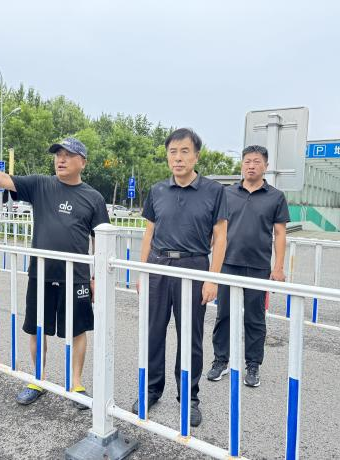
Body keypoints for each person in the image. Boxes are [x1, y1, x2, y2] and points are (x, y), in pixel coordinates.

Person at [0, 137, 108, 410]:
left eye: (68, 155)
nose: (61, 159)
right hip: (41, 273)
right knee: (37, 328)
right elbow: (2, 179)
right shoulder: (41, 185)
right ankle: (38, 379)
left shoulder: (94, 198)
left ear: (83, 162)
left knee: (77, 330)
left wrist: (97, 278)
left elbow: (99, 239)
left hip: (76, 276)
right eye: (58, 155)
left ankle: (76, 384)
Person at [134, 128, 228, 427]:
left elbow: (221, 237)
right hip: (158, 266)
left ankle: (189, 397)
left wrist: (212, 279)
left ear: (196, 156)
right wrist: (143, 271)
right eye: (172, 152)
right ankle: (151, 390)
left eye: (184, 151)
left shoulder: (214, 191)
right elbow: (149, 233)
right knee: (153, 333)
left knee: (190, 336)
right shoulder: (157, 191)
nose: (178, 158)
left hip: (194, 267)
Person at [207, 144, 290, 387]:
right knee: (223, 315)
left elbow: (280, 234)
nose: (251, 166)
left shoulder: (276, 197)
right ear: (242, 165)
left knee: (255, 319)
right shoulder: (227, 193)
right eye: (247, 162)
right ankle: (220, 360)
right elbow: (216, 229)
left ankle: (253, 364)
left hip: (258, 266)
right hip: (227, 264)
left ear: (266, 166)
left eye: (256, 162)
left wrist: (278, 267)